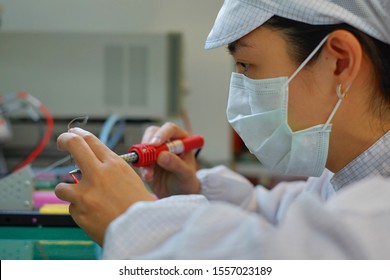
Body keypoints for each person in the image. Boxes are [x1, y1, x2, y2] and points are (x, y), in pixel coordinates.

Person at [55, 0, 390, 259]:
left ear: (340, 62)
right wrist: (194, 186)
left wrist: (134, 222)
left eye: (247, 65)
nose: (240, 89)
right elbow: (278, 220)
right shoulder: (346, 178)